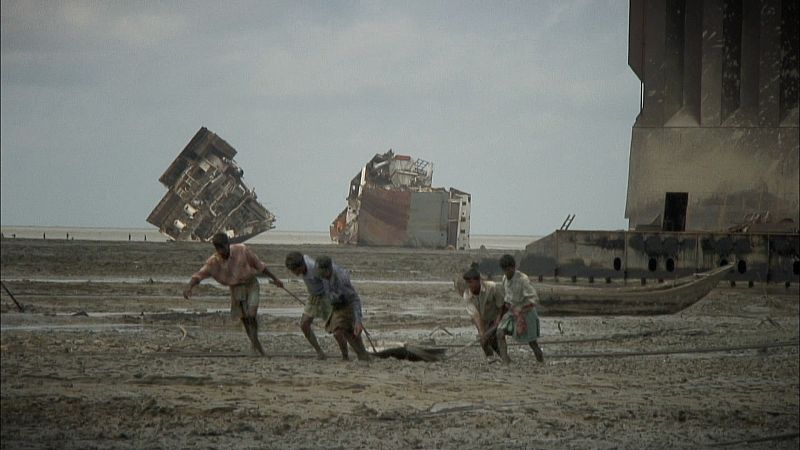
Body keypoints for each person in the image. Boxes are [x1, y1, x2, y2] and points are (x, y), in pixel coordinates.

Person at [183, 232, 283, 356]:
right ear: (216, 249)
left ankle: (256, 343)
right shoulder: (213, 262)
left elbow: (260, 266)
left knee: (251, 315)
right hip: (236, 288)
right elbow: (200, 275)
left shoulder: (242, 250)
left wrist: (275, 279)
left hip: (251, 284)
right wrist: (189, 286)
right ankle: (255, 343)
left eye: (223, 248)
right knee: (245, 318)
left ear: (228, 244)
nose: (222, 252)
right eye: (219, 249)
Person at [316, 256, 370, 361]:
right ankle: (345, 357)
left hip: (347, 304)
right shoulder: (321, 273)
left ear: (329, 269)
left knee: (350, 333)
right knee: (338, 332)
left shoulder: (341, 278)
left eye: (324, 275)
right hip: (336, 304)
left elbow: (354, 299)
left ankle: (362, 355)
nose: (322, 277)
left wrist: (358, 321)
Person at [496, 254, 544, 365]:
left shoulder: (523, 280)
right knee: (499, 332)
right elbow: (506, 299)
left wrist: (521, 309)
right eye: (504, 270)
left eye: (508, 270)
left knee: (532, 343)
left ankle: (541, 362)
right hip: (512, 313)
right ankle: (506, 361)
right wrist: (500, 316)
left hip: (527, 313)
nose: (507, 273)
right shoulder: (504, 279)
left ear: (513, 267)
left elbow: (534, 299)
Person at [284, 252, 332, 359]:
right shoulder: (302, 261)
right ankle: (320, 352)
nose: (293, 273)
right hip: (313, 296)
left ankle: (349, 352)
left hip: (325, 295)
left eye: (294, 270)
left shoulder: (314, 268)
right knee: (304, 325)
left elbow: (327, 282)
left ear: (301, 266)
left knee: (336, 327)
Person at [462, 265, 507, 360]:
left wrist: (497, 322)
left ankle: (505, 359)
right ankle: (490, 359)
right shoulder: (467, 295)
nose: (469, 285)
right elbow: (475, 316)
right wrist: (482, 333)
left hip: (497, 316)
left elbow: (502, 306)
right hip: (484, 319)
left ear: (478, 281)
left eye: (471, 282)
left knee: (497, 336)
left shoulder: (492, 287)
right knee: (484, 341)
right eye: (467, 283)